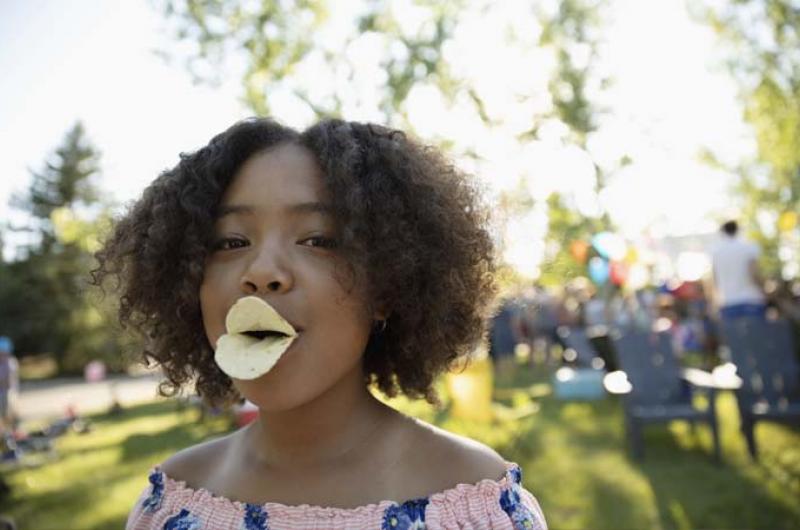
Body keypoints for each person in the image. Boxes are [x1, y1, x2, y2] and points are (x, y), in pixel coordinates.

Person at [94, 118, 547, 530]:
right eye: (231, 241)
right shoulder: (170, 503)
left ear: (387, 286)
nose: (262, 270)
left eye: (316, 239)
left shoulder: (477, 509)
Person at [709, 220, 767, 322]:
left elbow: (714, 279)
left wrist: (714, 302)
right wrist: (765, 291)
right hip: (752, 299)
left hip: (728, 302)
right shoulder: (749, 247)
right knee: (757, 336)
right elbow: (754, 273)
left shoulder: (716, 251)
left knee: (735, 337)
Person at [0, 337, 19, 434]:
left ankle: (11, 432)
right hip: (2, 393)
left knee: (8, 414)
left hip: (7, 393)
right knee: (3, 415)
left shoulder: (10, 363)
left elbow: (8, 381)